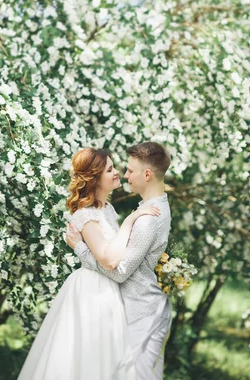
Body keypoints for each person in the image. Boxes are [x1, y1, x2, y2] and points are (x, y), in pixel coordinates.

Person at [17, 147, 160, 380]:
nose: (117, 173)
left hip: (109, 291)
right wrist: (132, 220)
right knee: (86, 356)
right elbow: (109, 259)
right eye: (110, 170)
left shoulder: (107, 210)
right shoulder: (86, 214)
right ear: (94, 179)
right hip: (93, 291)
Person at [66, 141, 172, 380]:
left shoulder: (145, 217)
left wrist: (80, 250)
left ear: (147, 174)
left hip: (138, 309)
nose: (122, 175)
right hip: (107, 299)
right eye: (112, 169)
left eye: (128, 170)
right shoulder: (149, 210)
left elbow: (119, 269)